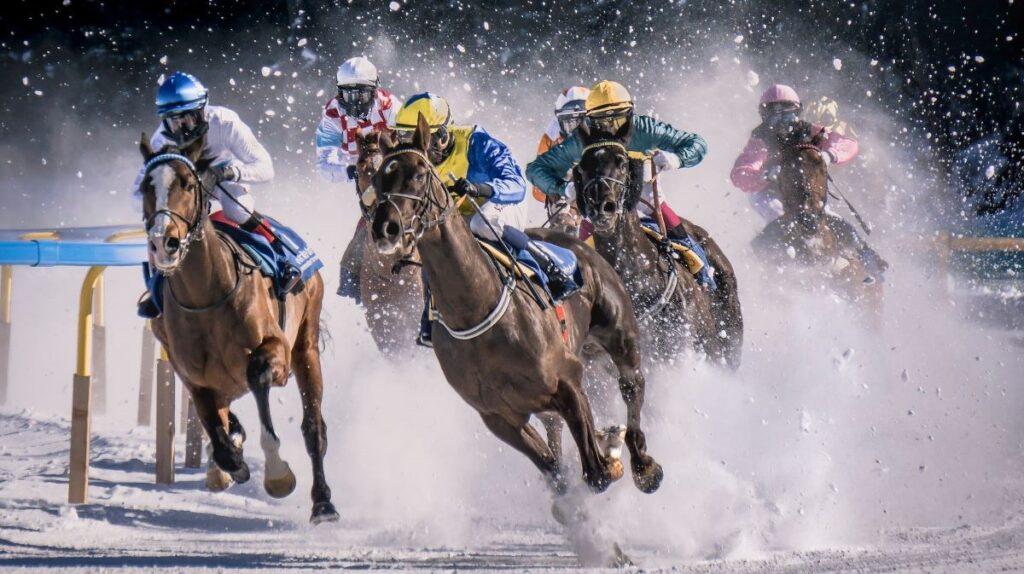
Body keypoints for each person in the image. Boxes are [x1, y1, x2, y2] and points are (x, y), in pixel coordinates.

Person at [391, 92, 576, 346]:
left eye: (422, 137)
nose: (415, 146)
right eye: (404, 138)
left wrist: (480, 189)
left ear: (443, 135)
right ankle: (431, 316)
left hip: (499, 203)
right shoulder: (414, 163)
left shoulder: (477, 142)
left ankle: (549, 265)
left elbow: (516, 185)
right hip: (456, 215)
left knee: (482, 225)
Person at [133, 72, 296, 318]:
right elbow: (136, 193)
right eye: (174, 120)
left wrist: (228, 172)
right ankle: (157, 286)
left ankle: (282, 261)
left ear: (203, 109)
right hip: (186, 196)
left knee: (238, 209)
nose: (183, 126)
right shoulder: (159, 141)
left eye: (189, 117)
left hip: (223, 184)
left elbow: (266, 168)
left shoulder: (225, 121)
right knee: (163, 225)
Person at [730, 84, 886, 275]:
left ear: (797, 112)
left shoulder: (809, 130)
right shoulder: (760, 139)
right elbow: (740, 173)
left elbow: (848, 143)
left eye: (786, 114)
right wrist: (764, 175)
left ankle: (866, 256)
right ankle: (760, 265)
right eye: (774, 115)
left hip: (804, 188)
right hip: (768, 192)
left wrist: (830, 155)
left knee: (833, 220)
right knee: (780, 218)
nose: (781, 122)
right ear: (765, 116)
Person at [526, 80, 706, 243]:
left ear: (630, 114)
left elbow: (697, 144)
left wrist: (677, 158)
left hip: (643, 190)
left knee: (681, 238)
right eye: (602, 122)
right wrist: (562, 189)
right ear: (589, 118)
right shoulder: (581, 138)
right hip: (600, 194)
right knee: (580, 253)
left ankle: (702, 272)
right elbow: (535, 169)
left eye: (618, 120)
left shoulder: (644, 128)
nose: (611, 128)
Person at [314, 56, 400, 302]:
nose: (355, 103)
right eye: (348, 95)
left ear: (375, 90)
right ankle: (353, 276)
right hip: (363, 174)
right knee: (370, 217)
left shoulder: (391, 106)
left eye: (362, 95)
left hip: (394, 171)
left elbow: (408, 143)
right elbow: (325, 163)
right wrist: (348, 171)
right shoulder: (331, 115)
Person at [531, 86, 590, 225]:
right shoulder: (551, 137)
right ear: (559, 121)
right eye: (571, 123)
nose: (578, 130)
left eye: (583, 122)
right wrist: (559, 202)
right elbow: (539, 186)